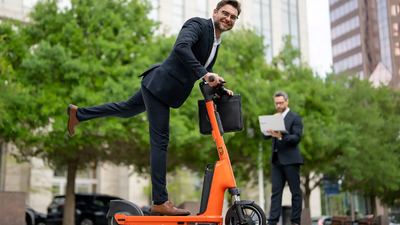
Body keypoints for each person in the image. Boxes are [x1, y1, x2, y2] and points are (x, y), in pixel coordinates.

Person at [67, 0, 241, 216]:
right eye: (225, 13)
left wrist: (221, 89)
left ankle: (78, 114)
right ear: (215, 12)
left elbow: (206, 68)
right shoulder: (197, 25)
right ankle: (160, 201)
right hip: (160, 85)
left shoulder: (216, 42)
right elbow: (182, 47)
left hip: (162, 87)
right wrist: (204, 74)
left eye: (233, 17)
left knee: (126, 109)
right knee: (160, 140)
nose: (228, 19)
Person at [262, 91, 304, 225]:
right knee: (275, 193)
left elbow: (296, 138)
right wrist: (268, 127)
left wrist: (280, 136)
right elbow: (265, 136)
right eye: (276, 103)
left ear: (287, 102)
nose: (278, 106)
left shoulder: (295, 118)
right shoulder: (274, 117)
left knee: (295, 192)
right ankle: (273, 221)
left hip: (291, 160)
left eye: (280, 103)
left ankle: (295, 221)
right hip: (276, 160)